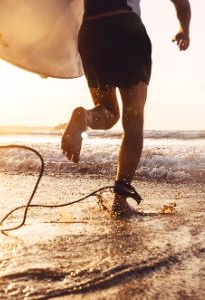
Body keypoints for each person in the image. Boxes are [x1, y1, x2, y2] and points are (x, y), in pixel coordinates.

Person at [61, 0, 191, 216]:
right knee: (133, 122)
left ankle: (84, 117)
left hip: (92, 33)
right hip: (126, 30)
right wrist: (184, 30)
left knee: (107, 111)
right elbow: (182, 3)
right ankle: (119, 201)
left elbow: (55, 8)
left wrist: (47, 58)